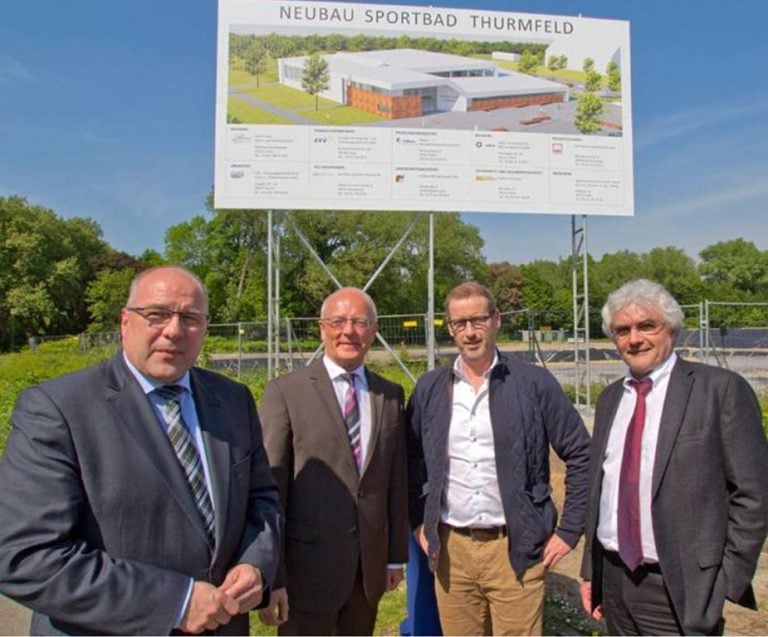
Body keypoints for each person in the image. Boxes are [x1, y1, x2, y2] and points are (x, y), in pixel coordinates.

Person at [0, 266, 282, 635]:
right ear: (125, 322)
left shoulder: (233, 399)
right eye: (157, 314)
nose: (174, 330)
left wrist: (255, 564)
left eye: (190, 318)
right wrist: (176, 602)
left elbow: (262, 498)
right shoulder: (58, 408)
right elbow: (26, 555)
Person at [580, 278, 768, 635]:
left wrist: (725, 579)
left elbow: (754, 493)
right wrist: (592, 572)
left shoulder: (719, 390)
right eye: (622, 330)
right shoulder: (610, 400)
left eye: (647, 325)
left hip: (681, 586)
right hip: (615, 580)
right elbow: (600, 492)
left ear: (672, 329)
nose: (634, 339)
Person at [407, 281, 591, 635]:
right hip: (451, 551)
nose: (470, 332)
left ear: (496, 319)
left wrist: (569, 531)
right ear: (450, 328)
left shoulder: (534, 383)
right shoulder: (430, 388)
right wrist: (419, 520)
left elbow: (581, 453)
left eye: (478, 320)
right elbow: (411, 459)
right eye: (460, 323)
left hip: (515, 549)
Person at [258, 287, 409, 635]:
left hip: (366, 570)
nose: (348, 331)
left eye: (360, 322)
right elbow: (270, 489)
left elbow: (395, 481)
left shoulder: (390, 395)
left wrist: (393, 557)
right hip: (307, 571)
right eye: (338, 321)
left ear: (374, 331)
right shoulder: (286, 392)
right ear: (321, 328)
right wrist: (272, 572)